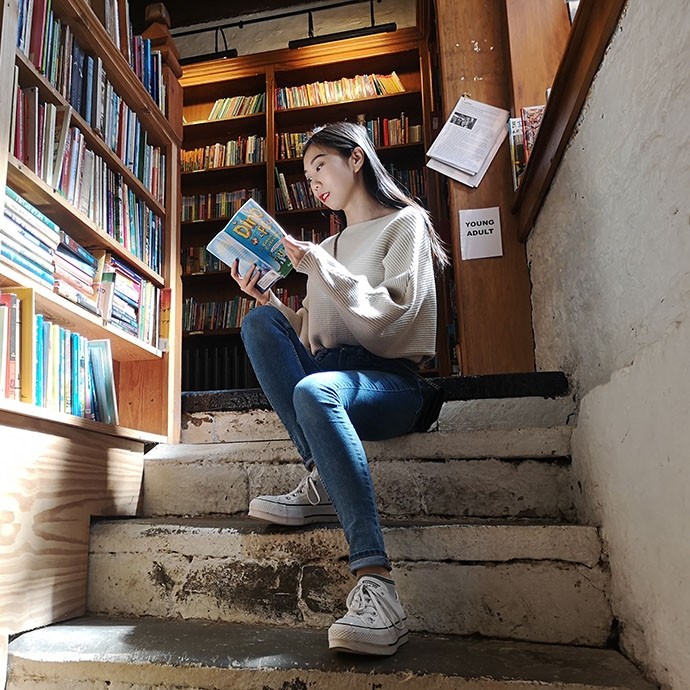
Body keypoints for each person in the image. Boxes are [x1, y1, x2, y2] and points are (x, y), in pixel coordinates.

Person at [230, 120, 448, 656]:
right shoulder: (326, 245)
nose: (313, 182)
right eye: (306, 175)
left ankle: (377, 584)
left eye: (320, 165)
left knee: (317, 392)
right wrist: (270, 301)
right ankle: (322, 472)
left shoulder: (406, 225)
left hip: (389, 382)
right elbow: (310, 334)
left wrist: (321, 265)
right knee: (261, 326)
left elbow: (389, 323)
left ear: (355, 159)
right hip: (331, 374)